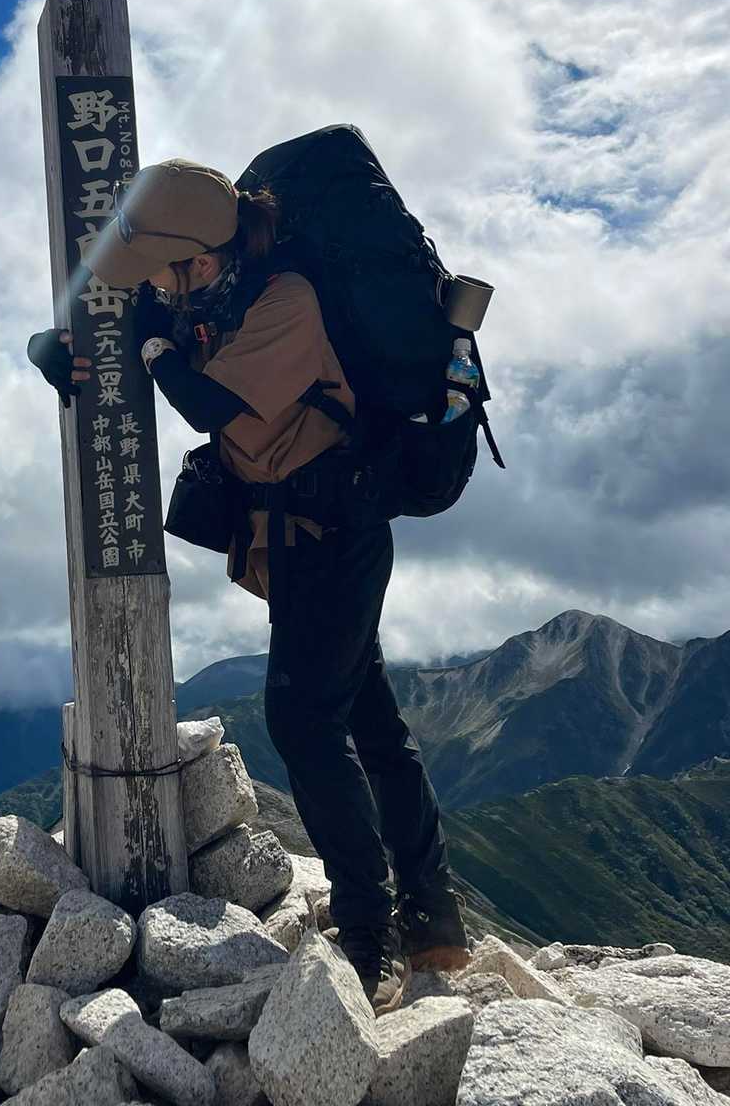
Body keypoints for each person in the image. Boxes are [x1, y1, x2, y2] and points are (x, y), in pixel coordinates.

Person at [28, 158, 470, 1015]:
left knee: (303, 719)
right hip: (297, 538)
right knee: (369, 718)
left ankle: (370, 935)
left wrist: (152, 347)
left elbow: (211, 406)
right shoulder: (207, 297)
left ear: (198, 256)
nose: (148, 286)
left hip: (337, 533)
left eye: (158, 270)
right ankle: (432, 915)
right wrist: (53, 350)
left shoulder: (285, 302)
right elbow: (116, 334)